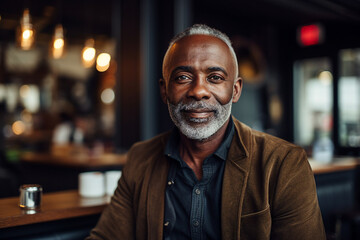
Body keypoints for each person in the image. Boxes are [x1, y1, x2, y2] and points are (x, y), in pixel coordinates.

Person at [87, 24, 325, 240]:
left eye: (215, 78)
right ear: (164, 90)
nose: (198, 90)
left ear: (235, 90)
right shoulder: (141, 158)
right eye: (182, 77)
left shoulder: (284, 164)